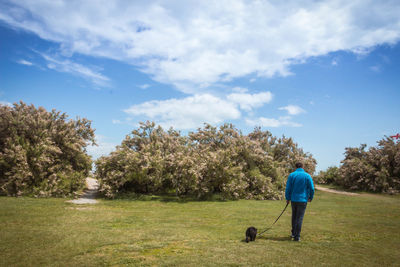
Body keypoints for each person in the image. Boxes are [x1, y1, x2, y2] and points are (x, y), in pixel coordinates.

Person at [285, 162, 315, 242]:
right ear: (303, 167)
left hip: (294, 199)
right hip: (303, 199)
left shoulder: (292, 175)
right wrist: (311, 197)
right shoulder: (307, 176)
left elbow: (288, 188)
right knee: (299, 218)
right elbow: (312, 188)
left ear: (295, 167)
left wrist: (287, 198)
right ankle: (297, 236)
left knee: (294, 217)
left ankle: (293, 233)